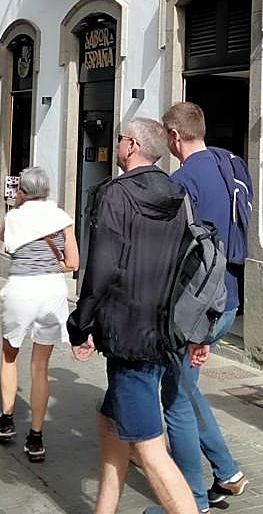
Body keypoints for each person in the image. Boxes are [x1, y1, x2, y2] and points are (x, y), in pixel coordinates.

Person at [67, 118, 199, 514]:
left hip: (129, 339)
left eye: (120, 138)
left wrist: (81, 324)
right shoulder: (178, 193)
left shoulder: (115, 195)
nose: (118, 144)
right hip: (162, 330)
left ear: (133, 145)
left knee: (152, 450)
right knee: (110, 424)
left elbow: (101, 268)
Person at [158, 103, 248, 512]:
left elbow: (175, 252)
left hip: (196, 305)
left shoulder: (182, 180)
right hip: (229, 298)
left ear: (175, 136)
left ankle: (190, 499)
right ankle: (227, 473)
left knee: (176, 398)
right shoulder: (233, 164)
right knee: (187, 390)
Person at [0, 166, 79, 461]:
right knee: (40, 367)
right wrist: (49, 267)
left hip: (21, 290)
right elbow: (73, 262)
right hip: (51, 292)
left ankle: (7, 421)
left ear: (22, 192)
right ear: (48, 191)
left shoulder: (14, 217)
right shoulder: (62, 218)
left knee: (9, 355)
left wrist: (16, 205)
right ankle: (36, 438)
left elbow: (3, 239)